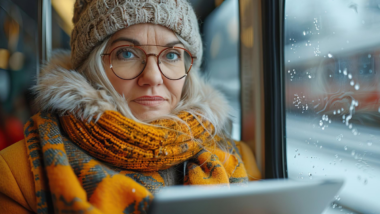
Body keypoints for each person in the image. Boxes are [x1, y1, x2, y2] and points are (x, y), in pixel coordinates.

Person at [0, 0, 261, 213]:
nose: (153, 77)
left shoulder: (239, 158)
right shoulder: (15, 174)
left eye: (171, 55)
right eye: (127, 53)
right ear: (92, 67)